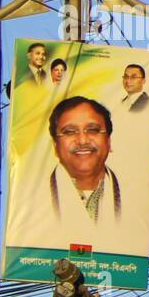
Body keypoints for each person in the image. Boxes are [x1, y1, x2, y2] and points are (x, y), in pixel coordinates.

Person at [47, 96, 122, 227]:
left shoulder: (133, 199)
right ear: (55, 146)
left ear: (109, 141)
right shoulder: (33, 199)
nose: (83, 141)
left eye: (93, 130)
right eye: (70, 132)